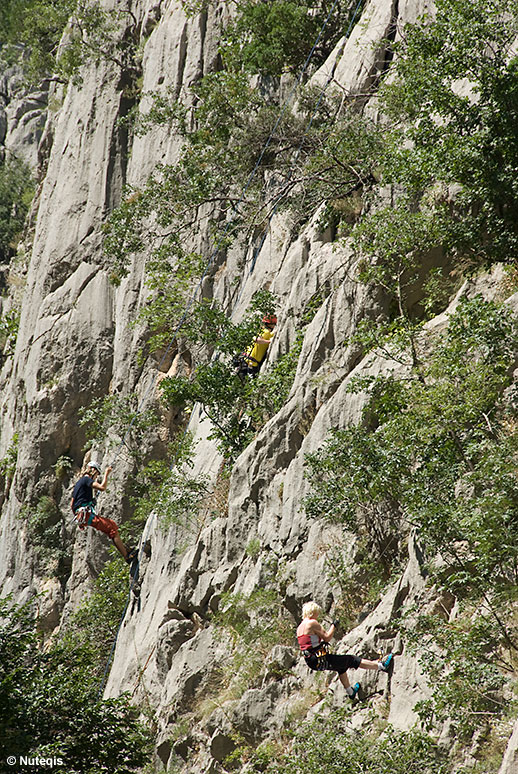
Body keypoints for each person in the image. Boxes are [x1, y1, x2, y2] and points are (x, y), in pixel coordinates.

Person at [297, 600, 393, 699]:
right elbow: (327, 637)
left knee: (341, 667)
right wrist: (334, 626)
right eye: (317, 613)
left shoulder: (300, 627)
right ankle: (382, 666)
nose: (317, 616)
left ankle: (350, 692)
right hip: (319, 657)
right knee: (352, 660)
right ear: (313, 612)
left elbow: (309, 643)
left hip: (311, 660)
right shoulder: (312, 623)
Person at [71, 461, 136, 563]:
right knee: (112, 527)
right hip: (86, 514)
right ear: (93, 470)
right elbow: (102, 487)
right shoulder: (86, 479)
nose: (96, 477)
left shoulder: (78, 484)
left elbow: (72, 504)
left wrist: (79, 520)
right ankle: (127, 556)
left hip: (82, 515)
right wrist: (107, 473)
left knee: (110, 526)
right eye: (97, 474)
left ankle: (126, 550)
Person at [235, 314, 277, 381]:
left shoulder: (263, 331)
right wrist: (269, 342)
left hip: (246, 360)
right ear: (271, 324)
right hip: (250, 362)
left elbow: (271, 334)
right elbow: (256, 340)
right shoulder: (265, 332)